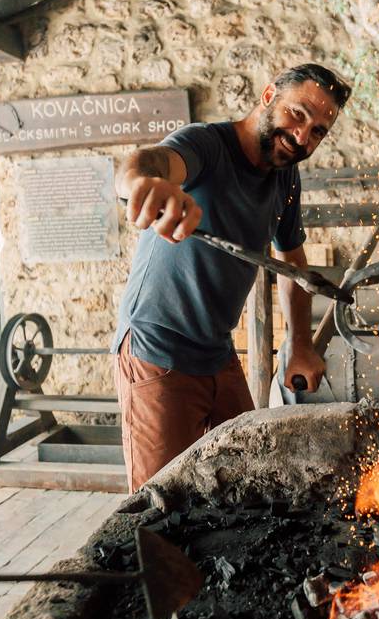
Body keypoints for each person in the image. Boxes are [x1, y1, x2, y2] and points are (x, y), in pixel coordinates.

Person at [113, 63, 351, 492]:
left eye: (317, 131)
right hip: (156, 350)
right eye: (298, 115)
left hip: (217, 354)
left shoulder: (285, 178)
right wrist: (143, 182)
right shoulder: (205, 145)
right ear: (268, 96)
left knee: (253, 478)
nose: (302, 137)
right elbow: (148, 162)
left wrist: (298, 343)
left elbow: (293, 260)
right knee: (158, 506)